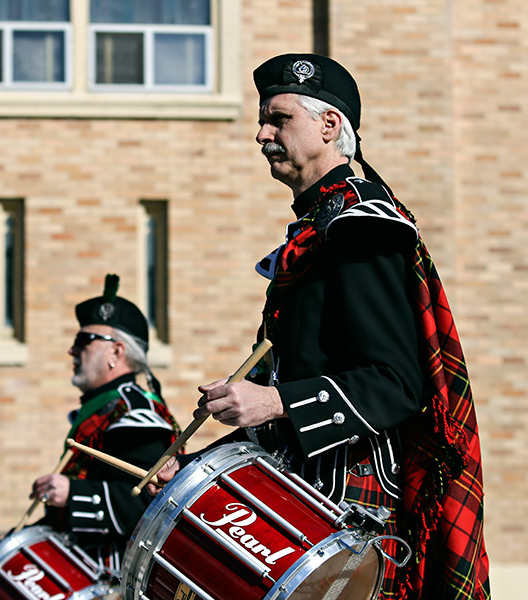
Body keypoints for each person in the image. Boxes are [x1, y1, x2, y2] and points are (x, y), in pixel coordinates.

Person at [150, 54, 489, 599]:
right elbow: (300, 382)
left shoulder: (361, 229)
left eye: (278, 119)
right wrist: (197, 467)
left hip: (347, 513)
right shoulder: (319, 227)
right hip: (306, 501)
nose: (261, 134)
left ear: (330, 126)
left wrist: (274, 401)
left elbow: (396, 384)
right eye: (262, 119)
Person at [29, 274, 181, 568]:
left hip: (115, 577)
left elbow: (150, 503)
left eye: (83, 340)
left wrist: (72, 493)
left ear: (116, 351)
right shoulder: (105, 407)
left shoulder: (134, 411)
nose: (72, 350)